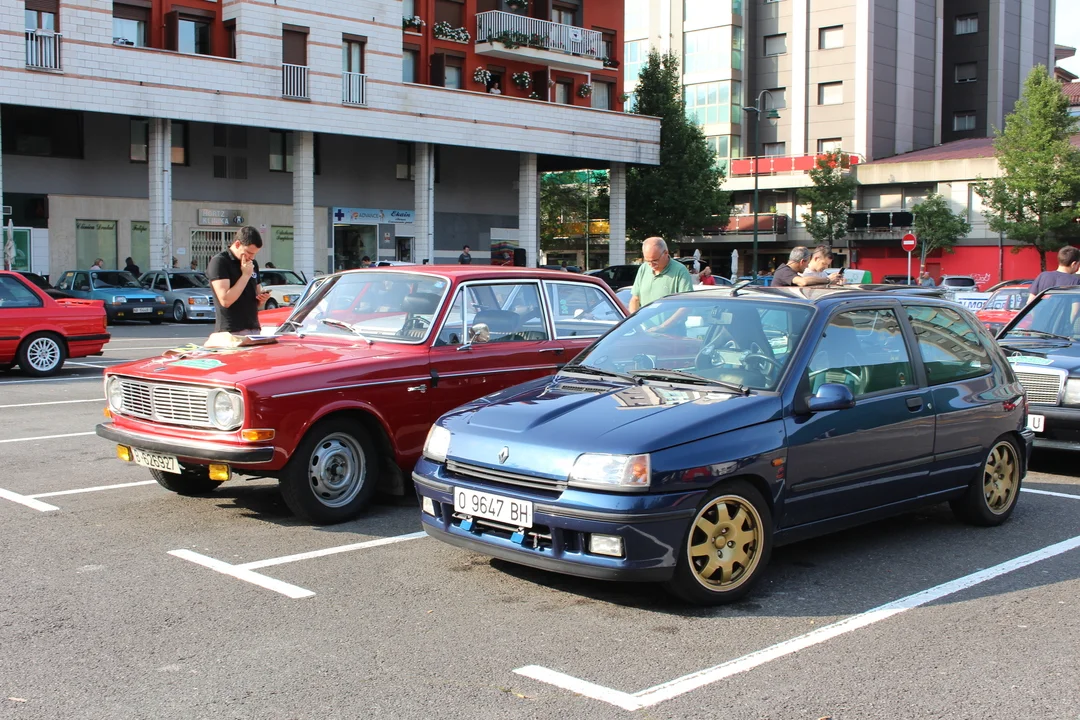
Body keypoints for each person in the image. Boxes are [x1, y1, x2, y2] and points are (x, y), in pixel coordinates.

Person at [206, 226, 271, 335]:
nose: (252, 257)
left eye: (254, 254)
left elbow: (255, 298)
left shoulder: (252, 263)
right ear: (237, 244)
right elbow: (225, 300)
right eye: (249, 252)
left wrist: (261, 298)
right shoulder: (220, 262)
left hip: (253, 327)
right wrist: (245, 276)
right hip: (231, 330)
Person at [628, 237, 694, 313]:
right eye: (647, 261)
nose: (651, 264)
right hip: (645, 320)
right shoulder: (644, 268)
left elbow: (686, 306)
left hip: (672, 321)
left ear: (666, 253)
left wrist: (667, 321)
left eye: (655, 260)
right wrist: (634, 317)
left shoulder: (680, 270)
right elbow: (635, 299)